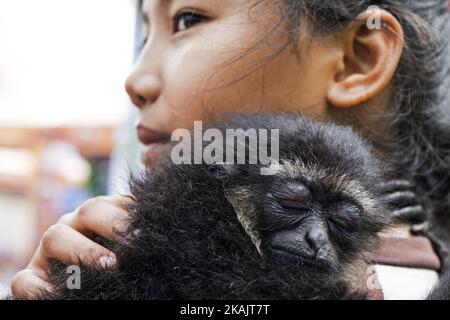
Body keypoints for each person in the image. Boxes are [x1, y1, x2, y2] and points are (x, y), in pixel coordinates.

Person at [11, 0, 450, 298]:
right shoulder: (121, 248)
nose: (136, 80)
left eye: (188, 19)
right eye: (145, 34)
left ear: (358, 59)